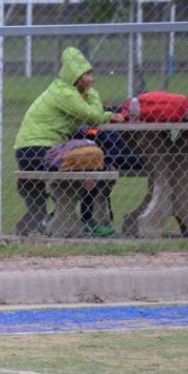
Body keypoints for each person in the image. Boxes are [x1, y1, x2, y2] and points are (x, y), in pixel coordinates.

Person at [14, 46, 127, 236]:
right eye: (85, 74)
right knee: (91, 163)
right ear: (74, 75)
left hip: (39, 149)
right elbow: (91, 115)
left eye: (90, 73)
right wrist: (93, 94)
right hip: (35, 150)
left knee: (94, 162)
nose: (90, 78)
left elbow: (92, 115)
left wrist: (104, 113)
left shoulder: (66, 91)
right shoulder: (64, 93)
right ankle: (83, 220)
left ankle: (63, 218)